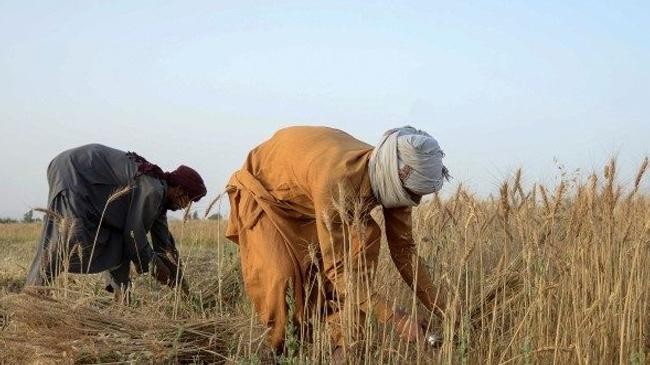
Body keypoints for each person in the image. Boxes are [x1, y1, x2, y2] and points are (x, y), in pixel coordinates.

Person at [226, 126, 450, 353]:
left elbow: (404, 250)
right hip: (268, 193)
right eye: (413, 193)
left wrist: (446, 310)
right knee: (281, 277)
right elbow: (339, 269)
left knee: (366, 239)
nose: (416, 200)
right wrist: (395, 317)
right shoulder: (337, 178)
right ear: (397, 175)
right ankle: (282, 351)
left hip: (314, 202)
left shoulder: (398, 183)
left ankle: (346, 347)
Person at [25, 143, 207, 297]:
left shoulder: (159, 198)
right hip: (76, 172)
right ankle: (34, 295)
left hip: (86, 178)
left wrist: (181, 285)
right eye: (189, 200)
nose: (186, 206)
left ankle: (122, 298)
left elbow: (164, 246)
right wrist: (155, 268)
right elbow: (135, 236)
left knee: (116, 239)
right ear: (180, 191)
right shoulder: (154, 190)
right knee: (68, 239)